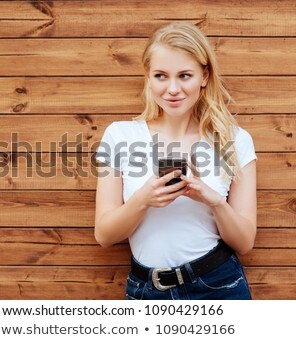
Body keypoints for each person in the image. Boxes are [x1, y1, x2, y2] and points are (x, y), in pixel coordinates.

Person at [94, 22, 257, 300]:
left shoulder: (235, 140)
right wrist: (143, 199)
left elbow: (244, 242)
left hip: (218, 285)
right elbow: (105, 235)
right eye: (161, 75)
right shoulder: (120, 135)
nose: (172, 89)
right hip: (147, 290)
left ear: (204, 76)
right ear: (148, 77)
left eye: (184, 75)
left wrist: (212, 199)